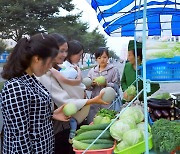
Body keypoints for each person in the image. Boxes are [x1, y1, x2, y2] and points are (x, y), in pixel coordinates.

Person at [37, 34, 108, 154]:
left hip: (61, 125)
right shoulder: (45, 74)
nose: (65, 54)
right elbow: (65, 101)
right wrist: (92, 100)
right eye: (62, 51)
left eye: (66, 51)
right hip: (54, 129)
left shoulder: (56, 70)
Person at [0, 33, 69, 154]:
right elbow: (20, 137)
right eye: (49, 62)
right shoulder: (16, 87)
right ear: (37, 58)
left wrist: (51, 114)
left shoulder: (32, 80)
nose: (50, 68)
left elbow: (31, 116)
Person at [50, 40, 88, 142]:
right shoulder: (65, 69)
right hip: (64, 114)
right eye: (79, 55)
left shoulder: (67, 68)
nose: (64, 54)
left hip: (71, 107)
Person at [86, 47, 120, 124]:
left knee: (106, 124)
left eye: (104, 57)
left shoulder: (114, 70)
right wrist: (91, 84)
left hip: (108, 103)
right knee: (93, 124)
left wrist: (106, 84)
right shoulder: (92, 71)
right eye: (99, 57)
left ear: (108, 57)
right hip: (95, 103)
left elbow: (117, 86)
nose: (102, 60)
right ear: (96, 59)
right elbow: (88, 87)